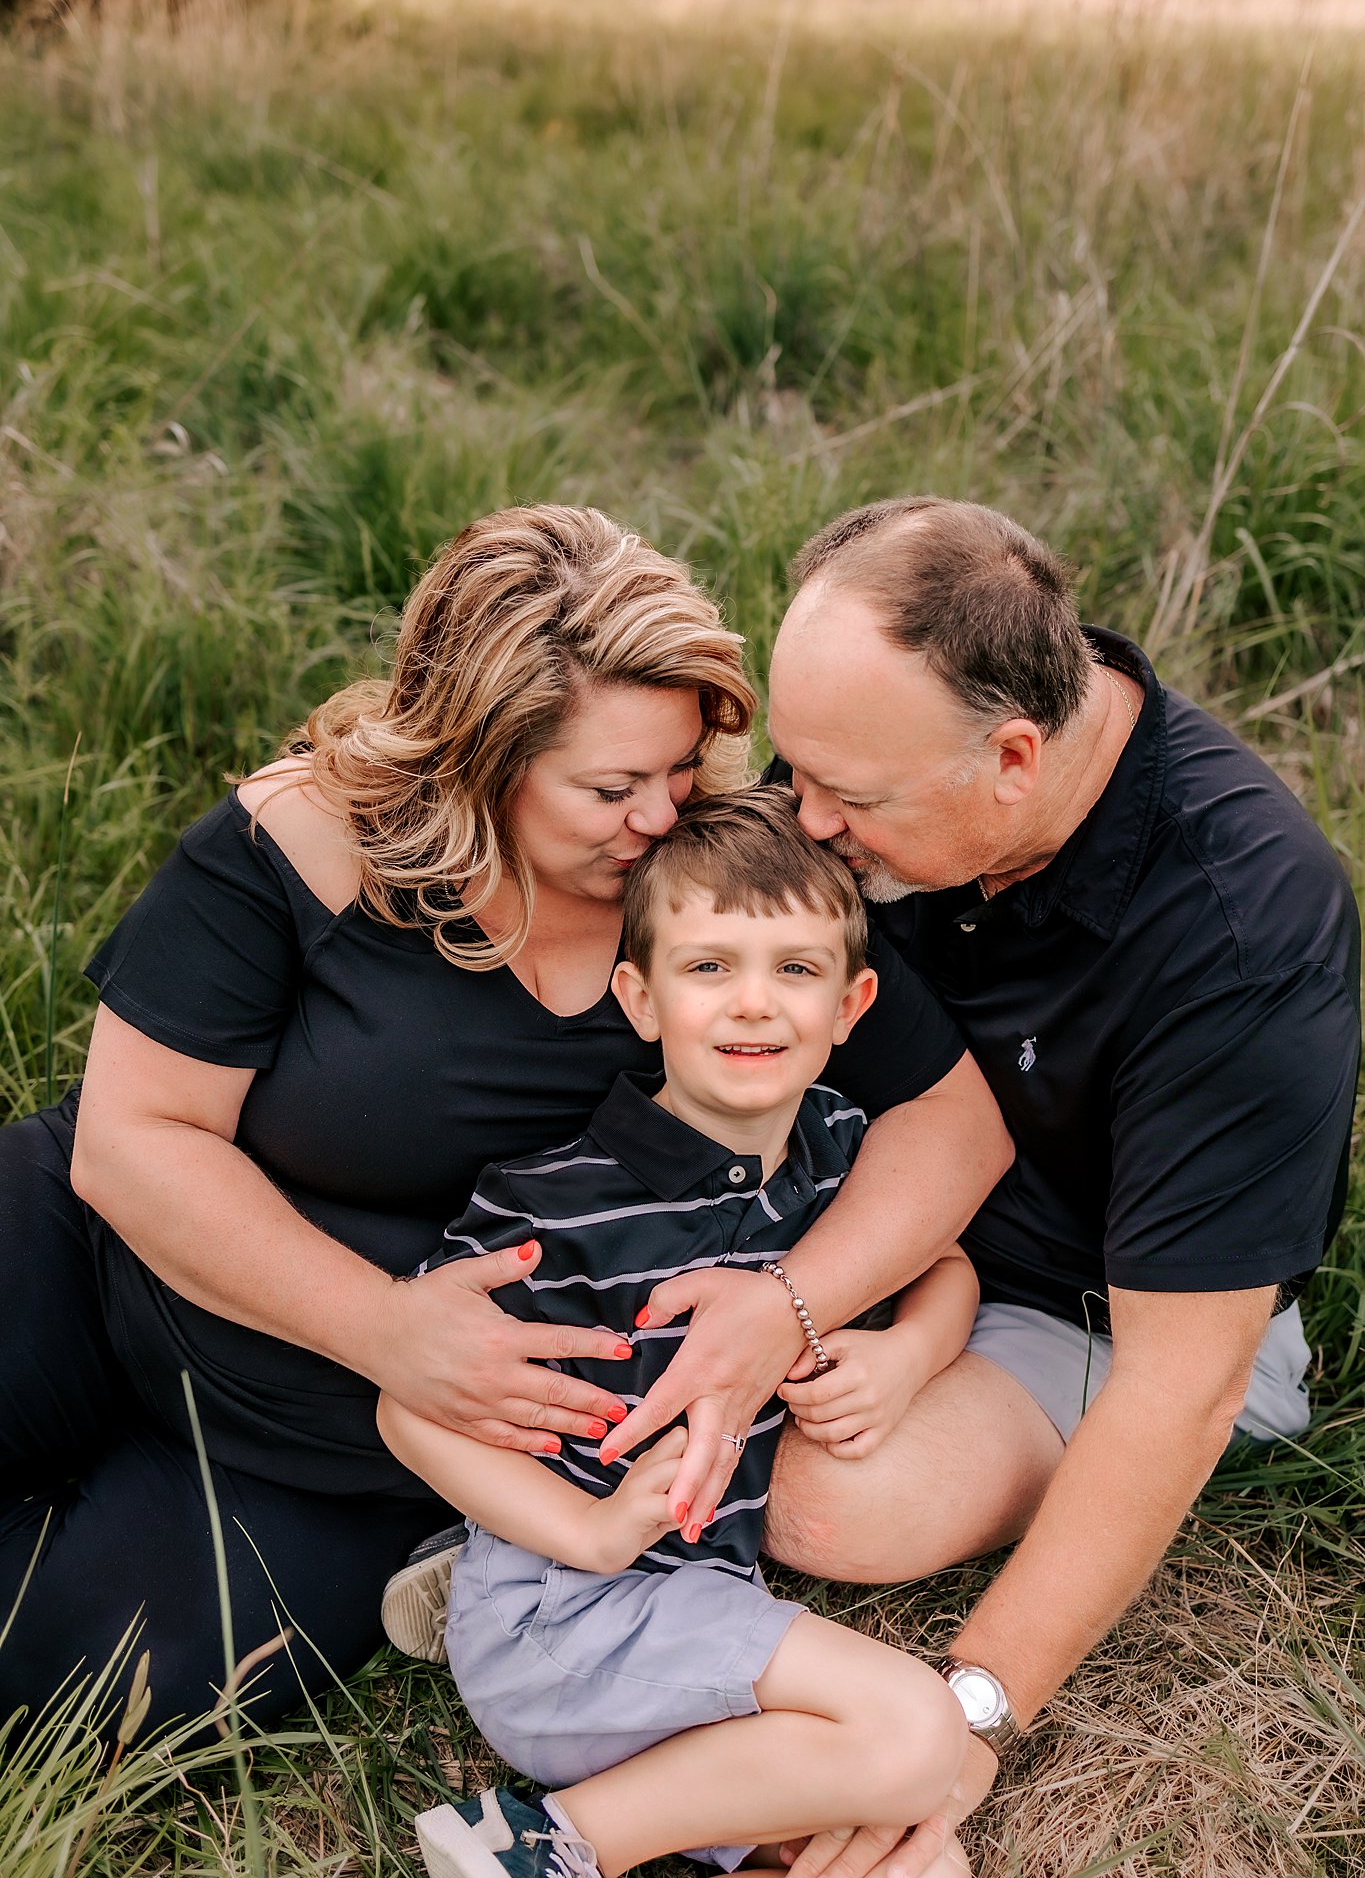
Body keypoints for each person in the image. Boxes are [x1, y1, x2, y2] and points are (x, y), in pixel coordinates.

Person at [0, 502, 1010, 1741]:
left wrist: (790, 1301)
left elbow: (956, 1124)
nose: (658, 817)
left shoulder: (719, 888)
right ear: (480, 755)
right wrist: (383, 1325)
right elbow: (130, 1139)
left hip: (346, 1455)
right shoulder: (315, 839)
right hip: (91, 1258)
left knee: (65, 1685)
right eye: (610, 785)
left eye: (682, 767)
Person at [692, 493, 1356, 1876]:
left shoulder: (1242, 927)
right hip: (872, 1207)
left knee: (830, 1509)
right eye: (792, 769)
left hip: (1087, 1309)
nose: (802, 821)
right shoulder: (900, 756)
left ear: (1011, 760)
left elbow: (1185, 1380)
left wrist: (967, 1718)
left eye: (849, 800)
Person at [377, 788, 980, 1878]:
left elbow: (943, 1262)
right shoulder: (556, 1208)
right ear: (640, 997)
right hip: (567, 1610)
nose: (754, 1004)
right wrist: (595, 1530)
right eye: (710, 968)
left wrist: (910, 1351)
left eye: (794, 969)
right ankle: (541, 1845)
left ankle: (665, 1834)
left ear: (853, 1004)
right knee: (917, 1732)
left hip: (696, 1622)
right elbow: (407, 1404)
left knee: (914, 1854)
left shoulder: (840, 1151)